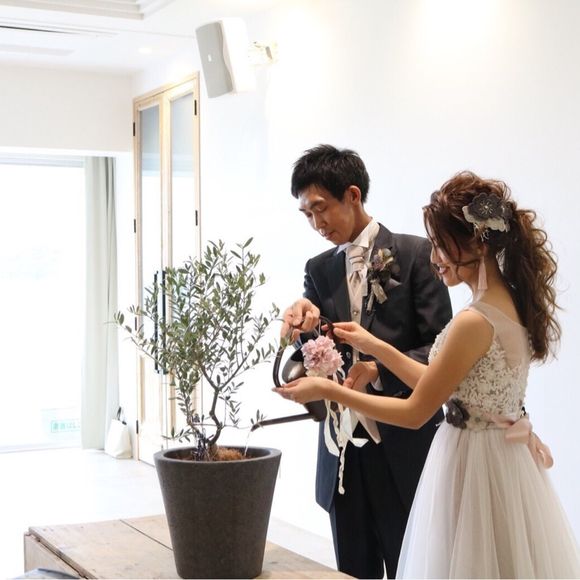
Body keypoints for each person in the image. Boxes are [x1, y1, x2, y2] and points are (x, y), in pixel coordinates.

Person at [277, 170, 580, 578]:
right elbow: (442, 380)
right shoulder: (508, 301)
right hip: (501, 458)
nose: (434, 258)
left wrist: (328, 391)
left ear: (476, 243)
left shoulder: (472, 320)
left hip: (472, 462)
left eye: (440, 245)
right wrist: (376, 347)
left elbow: (416, 411)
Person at [281, 145, 452, 579]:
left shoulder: (416, 254)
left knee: (411, 567)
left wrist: (378, 367)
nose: (316, 223)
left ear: (353, 195)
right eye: (307, 215)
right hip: (341, 452)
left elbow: (441, 349)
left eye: (321, 208)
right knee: (351, 571)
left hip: (404, 445)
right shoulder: (318, 269)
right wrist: (303, 324)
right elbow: (316, 350)